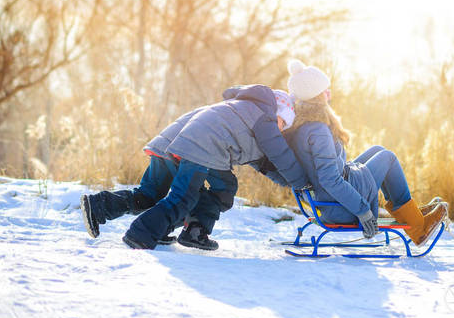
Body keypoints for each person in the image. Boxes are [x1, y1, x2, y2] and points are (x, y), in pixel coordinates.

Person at [81, 85, 307, 250]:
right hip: (198, 149)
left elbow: (265, 163)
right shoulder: (264, 118)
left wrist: (289, 182)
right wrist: (303, 182)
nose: (279, 130)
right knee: (185, 198)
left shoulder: (241, 110)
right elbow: (281, 156)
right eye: (281, 123)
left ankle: (100, 206)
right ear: (276, 114)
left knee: (149, 195)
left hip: (172, 143)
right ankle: (145, 234)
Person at [283, 60, 447, 246]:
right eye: (325, 91)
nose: (329, 95)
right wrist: (363, 211)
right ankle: (418, 227)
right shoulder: (318, 131)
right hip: (337, 206)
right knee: (388, 158)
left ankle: (411, 213)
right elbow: (330, 180)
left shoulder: (303, 125)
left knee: (377, 150)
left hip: (327, 196)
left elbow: (327, 171)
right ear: (316, 96)